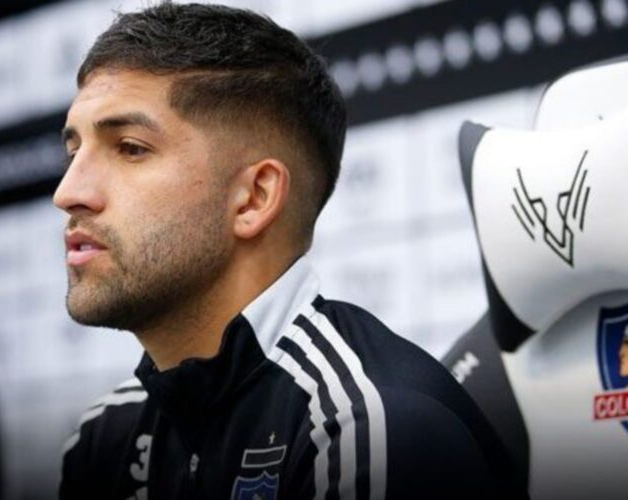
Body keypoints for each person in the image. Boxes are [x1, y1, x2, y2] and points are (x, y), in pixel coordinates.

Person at [54, 2, 527, 499]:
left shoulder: (367, 427)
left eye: (130, 147)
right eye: (73, 153)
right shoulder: (101, 438)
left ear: (254, 199)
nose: (68, 191)